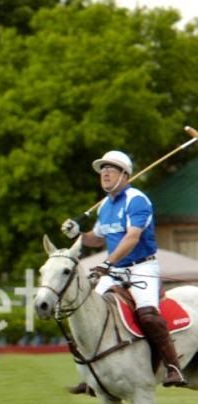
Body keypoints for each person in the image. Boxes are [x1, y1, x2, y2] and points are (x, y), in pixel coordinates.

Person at [61, 150, 186, 388]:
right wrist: (78, 234)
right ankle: (92, 374)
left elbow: (132, 237)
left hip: (142, 267)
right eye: (102, 169)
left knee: (147, 314)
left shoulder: (137, 200)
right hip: (115, 271)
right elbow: (97, 238)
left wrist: (107, 263)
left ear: (125, 174)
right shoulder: (104, 207)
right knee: (88, 311)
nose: (105, 173)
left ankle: (173, 366)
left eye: (111, 169)